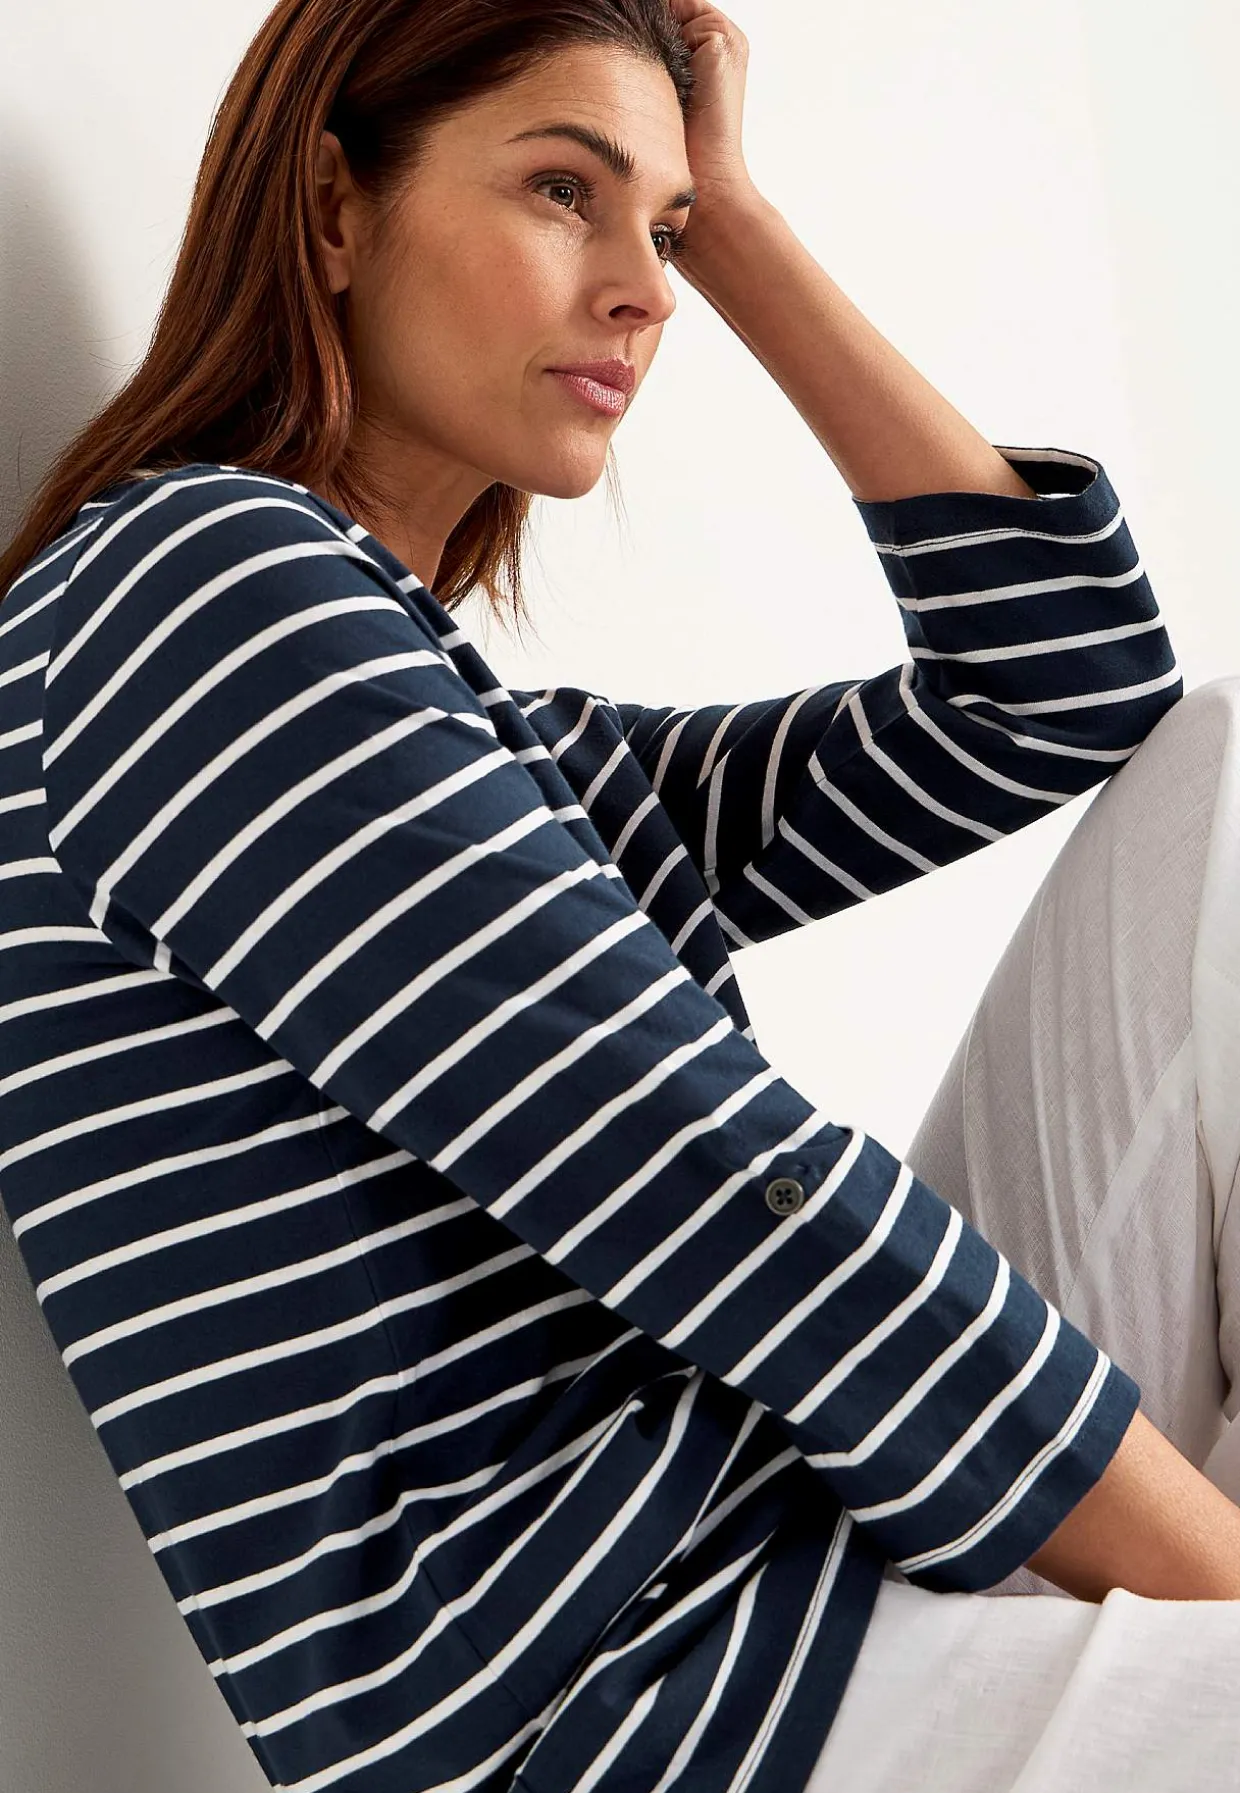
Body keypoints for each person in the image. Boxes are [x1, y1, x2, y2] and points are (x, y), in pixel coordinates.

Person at [2, 3, 1240, 1791]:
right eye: (561, 191)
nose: (646, 290)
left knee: (1225, 767)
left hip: (795, 1557)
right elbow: (738, 1202)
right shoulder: (207, 598)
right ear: (333, 208)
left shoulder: (502, 751)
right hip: (642, 1700)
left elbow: (1065, 686)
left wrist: (734, 214)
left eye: (660, 229)